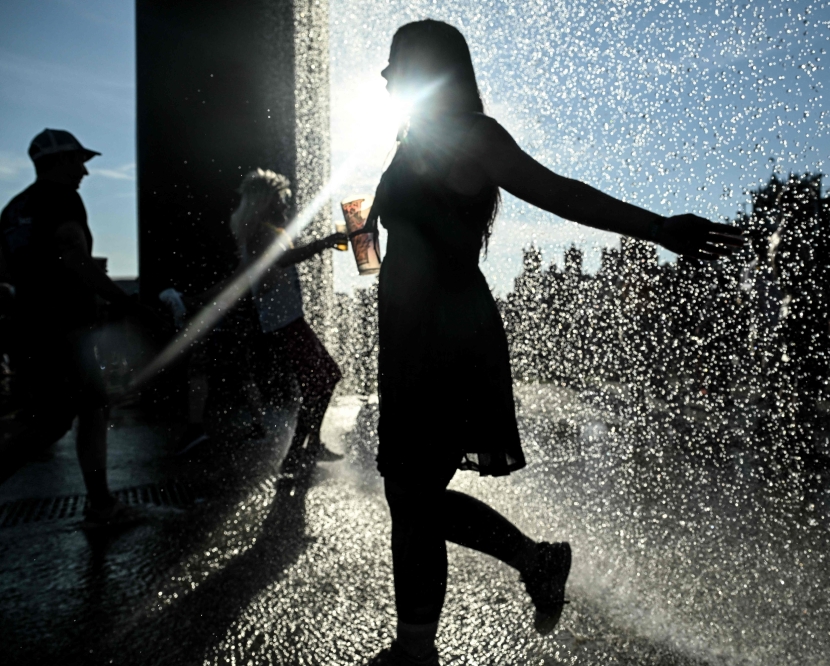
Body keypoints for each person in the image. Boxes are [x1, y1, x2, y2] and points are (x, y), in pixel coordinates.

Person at [362, 21, 744, 666]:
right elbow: (385, 239)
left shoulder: (475, 136)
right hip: (410, 333)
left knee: (413, 493)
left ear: (430, 70)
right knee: (410, 494)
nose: (384, 74)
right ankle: (513, 576)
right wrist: (352, 240)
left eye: (396, 61)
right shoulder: (411, 143)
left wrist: (656, 227)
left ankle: (423, 642)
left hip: (448, 334)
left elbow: (558, 192)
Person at [0, 129, 165, 526]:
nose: (84, 173)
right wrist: (125, 302)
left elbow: (4, 272)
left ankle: (101, 504)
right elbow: (75, 257)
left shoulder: (13, 209)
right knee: (51, 423)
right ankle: (102, 507)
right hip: (65, 329)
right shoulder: (62, 200)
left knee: (89, 408)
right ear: (57, 163)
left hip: (28, 328)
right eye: (78, 162)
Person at [176, 168, 346, 469]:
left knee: (319, 380)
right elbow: (283, 259)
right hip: (286, 320)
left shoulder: (255, 232)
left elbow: (240, 278)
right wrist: (328, 241)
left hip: (282, 318)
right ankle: (299, 451)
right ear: (266, 200)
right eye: (281, 199)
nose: (285, 205)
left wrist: (198, 301)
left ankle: (305, 448)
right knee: (325, 377)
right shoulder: (263, 232)